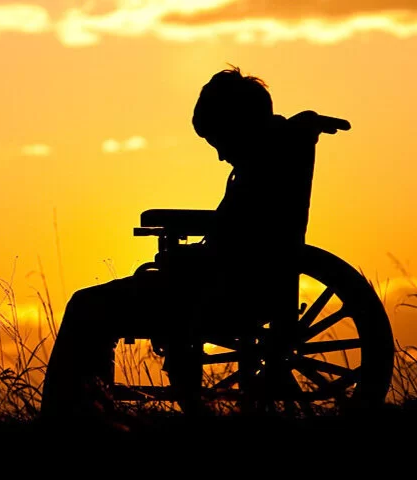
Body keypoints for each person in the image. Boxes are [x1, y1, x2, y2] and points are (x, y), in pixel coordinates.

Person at [39, 66, 350, 421]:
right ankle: (85, 410)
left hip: (219, 291)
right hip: (243, 282)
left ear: (238, 126)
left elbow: (237, 242)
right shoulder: (274, 153)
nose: (219, 155)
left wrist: (186, 257)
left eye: (219, 140)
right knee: (91, 305)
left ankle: (73, 417)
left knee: (86, 307)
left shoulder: (262, 166)